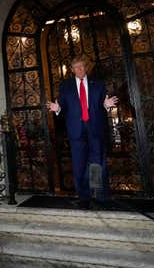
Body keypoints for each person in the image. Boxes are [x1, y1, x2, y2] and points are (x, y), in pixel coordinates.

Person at [46, 56, 118, 209]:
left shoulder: (98, 84)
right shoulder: (66, 86)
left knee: (96, 163)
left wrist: (106, 105)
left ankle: (98, 194)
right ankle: (84, 197)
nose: (79, 69)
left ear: (86, 68)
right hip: (76, 131)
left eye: (81, 66)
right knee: (79, 164)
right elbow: (62, 105)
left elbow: (103, 103)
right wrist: (57, 108)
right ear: (71, 70)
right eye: (75, 67)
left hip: (95, 129)